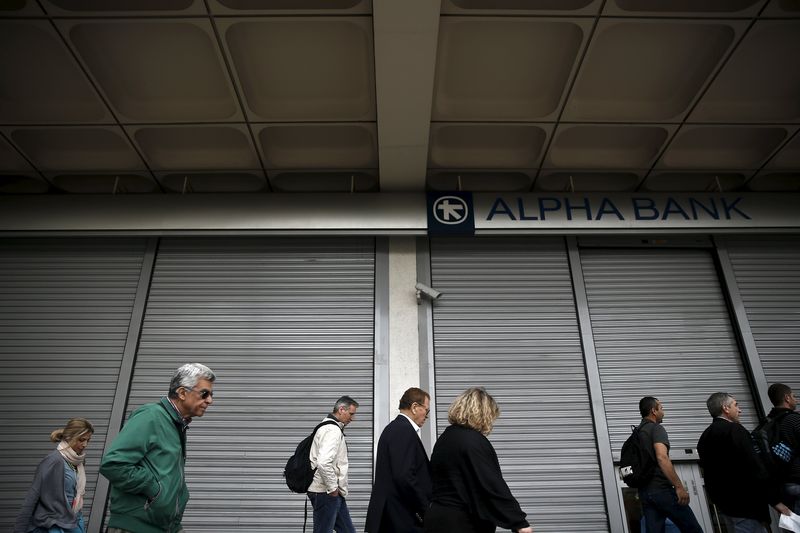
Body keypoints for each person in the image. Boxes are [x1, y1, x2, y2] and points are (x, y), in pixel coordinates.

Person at [100, 362, 216, 533]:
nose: (209, 401)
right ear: (183, 393)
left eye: (211, 395)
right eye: (204, 394)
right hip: (133, 528)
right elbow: (114, 464)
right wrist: (154, 490)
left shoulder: (176, 425)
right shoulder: (151, 416)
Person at [424, 387, 533, 533]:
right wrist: (519, 522)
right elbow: (491, 485)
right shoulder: (474, 442)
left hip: (436, 518)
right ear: (483, 413)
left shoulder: (445, 439)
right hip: (461, 523)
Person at [697, 392, 790, 533]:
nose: (739, 410)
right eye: (736, 405)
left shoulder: (705, 437)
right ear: (725, 408)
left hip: (726, 506)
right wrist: (775, 501)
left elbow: (709, 474)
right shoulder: (735, 430)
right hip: (746, 506)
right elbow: (754, 466)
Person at [365, 387, 433, 532]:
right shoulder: (403, 430)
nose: (427, 416)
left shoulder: (395, 428)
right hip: (400, 517)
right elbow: (404, 476)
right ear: (415, 407)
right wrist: (425, 509)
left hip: (395, 514)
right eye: (426, 411)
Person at [15, 418, 94, 533]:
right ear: (69, 437)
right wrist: (19, 530)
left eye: (88, 440)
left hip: (73, 522)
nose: (85, 445)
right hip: (53, 525)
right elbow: (32, 496)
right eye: (81, 440)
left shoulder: (78, 462)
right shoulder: (54, 460)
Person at [636, 396, 703, 533]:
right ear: (653, 411)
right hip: (662, 490)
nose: (663, 411)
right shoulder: (656, 429)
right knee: (693, 529)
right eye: (661, 407)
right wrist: (679, 486)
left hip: (645, 493)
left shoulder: (637, 433)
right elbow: (662, 457)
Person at [308, 395, 359, 533]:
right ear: (341, 409)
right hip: (325, 493)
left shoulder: (329, 427)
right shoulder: (332, 430)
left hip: (332, 494)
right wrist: (332, 489)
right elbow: (324, 462)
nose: (352, 418)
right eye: (351, 414)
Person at [766, 383, 800, 514]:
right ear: (787, 398)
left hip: (783, 486)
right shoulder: (793, 419)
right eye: (793, 396)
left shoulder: (768, 423)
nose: (795, 399)